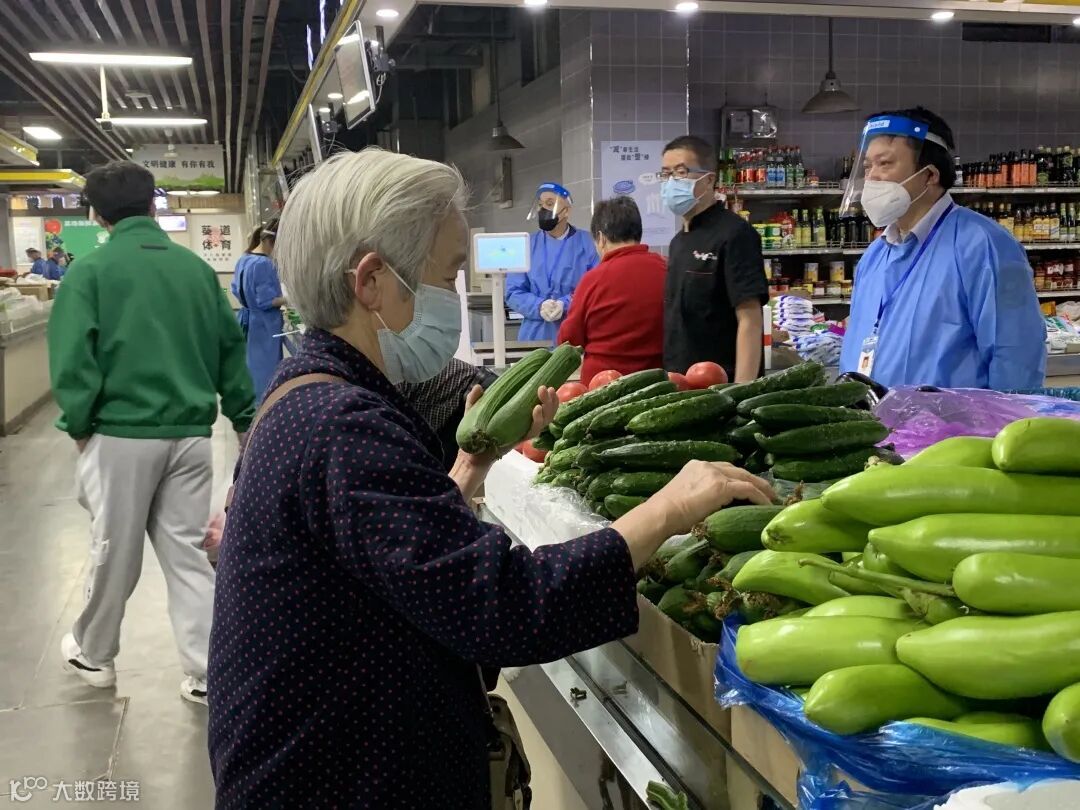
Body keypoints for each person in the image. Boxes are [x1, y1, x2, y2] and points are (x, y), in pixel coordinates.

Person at [207, 147, 773, 808]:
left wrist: (469, 469)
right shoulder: (342, 425)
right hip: (337, 784)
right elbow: (504, 605)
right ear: (371, 281)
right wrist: (669, 508)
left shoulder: (311, 390)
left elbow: (394, 556)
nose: (454, 295)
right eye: (448, 273)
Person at [47, 160, 255, 706]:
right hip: (191, 435)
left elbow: (72, 361)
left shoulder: (89, 273)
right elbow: (229, 350)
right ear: (152, 204)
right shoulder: (195, 272)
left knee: (114, 548)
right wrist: (242, 416)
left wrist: (79, 424)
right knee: (186, 552)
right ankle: (210, 672)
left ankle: (94, 653)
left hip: (121, 434)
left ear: (96, 213)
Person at [838, 108, 1045, 389]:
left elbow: (1016, 355)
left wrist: (1004, 416)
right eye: (867, 166)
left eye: (884, 164)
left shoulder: (982, 245)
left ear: (930, 174)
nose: (871, 178)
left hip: (953, 418)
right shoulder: (875, 255)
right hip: (874, 415)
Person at [660, 136, 768, 382]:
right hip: (681, 379)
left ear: (709, 179)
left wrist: (741, 390)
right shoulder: (678, 242)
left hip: (721, 383)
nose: (671, 182)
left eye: (681, 172)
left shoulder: (735, 234)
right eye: (665, 174)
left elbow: (750, 319)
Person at [557, 196, 666, 385]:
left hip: (602, 389)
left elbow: (568, 342)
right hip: (658, 386)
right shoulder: (667, 269)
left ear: (601, 238)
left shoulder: (592, 280)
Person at [505, 182, 599, 345]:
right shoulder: (527, 245)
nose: (543, 210)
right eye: (540, 205)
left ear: (566, 211)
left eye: (550, 204)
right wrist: (539, 306)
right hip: (534, 336)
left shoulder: (588, 243)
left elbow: (595, 288)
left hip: (575, 336)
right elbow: (513, 291)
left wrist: (566, 304)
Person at [232, 219, 285, 402]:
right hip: (264, 326)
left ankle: (254, 404)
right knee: (266, 372)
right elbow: (266, 301)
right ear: (271, 242)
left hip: (248, 320)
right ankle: (265, 407)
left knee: (252, 367)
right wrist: (291, 299)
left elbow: (235, 290)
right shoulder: (264, 264)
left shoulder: (244, 259)